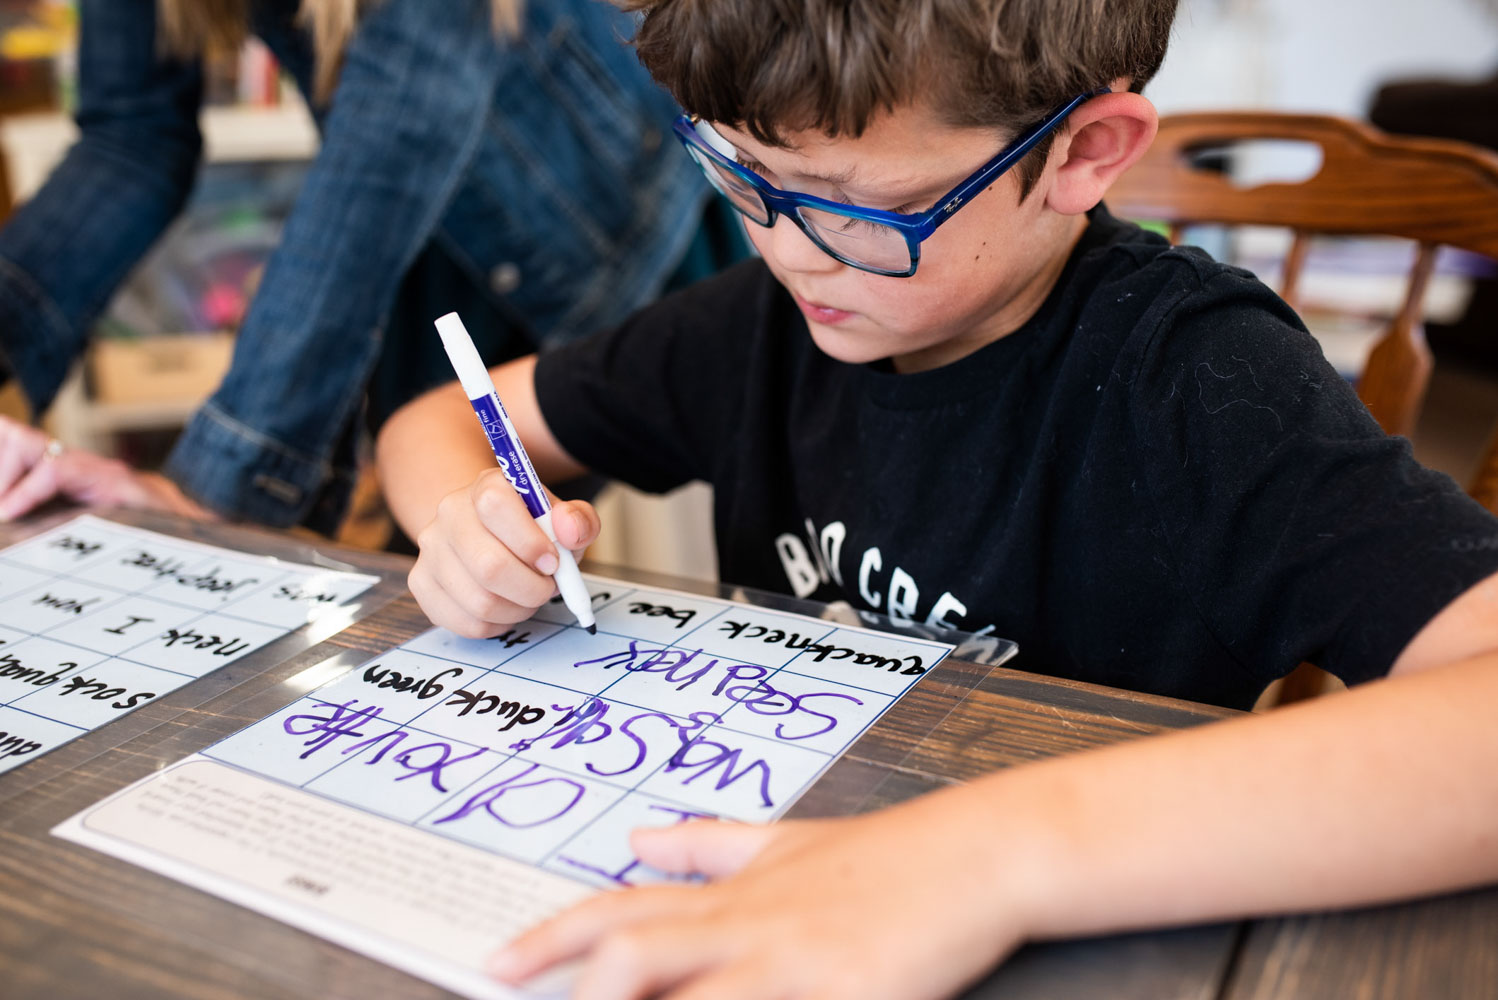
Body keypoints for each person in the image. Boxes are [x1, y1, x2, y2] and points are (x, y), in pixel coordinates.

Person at [375, 0, 1498, 996]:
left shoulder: (1195, 378)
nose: (787, 251)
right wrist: (461, 522)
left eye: (864, 209)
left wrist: (993, 856)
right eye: (742, 177)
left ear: (1081, 154)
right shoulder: (759, 321)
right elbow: (438, 421)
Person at [0, 0, 737, 533]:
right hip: (417, 240)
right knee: (462, 566)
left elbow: (406, 113)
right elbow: (131, 140)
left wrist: (218, 495)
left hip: (592, 216)